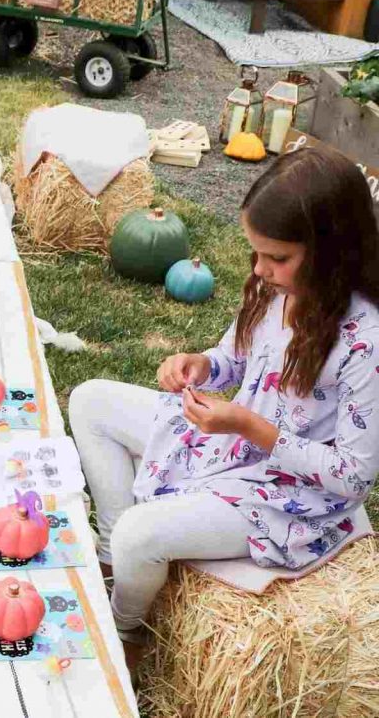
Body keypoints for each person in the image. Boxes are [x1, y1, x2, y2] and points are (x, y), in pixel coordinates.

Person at [69, 146, 379, 662]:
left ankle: (127, 632)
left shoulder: (365, 341)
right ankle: (114, 563)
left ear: (332, 251)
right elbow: (233, 358)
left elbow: (353, 475)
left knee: (138, 534)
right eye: (256, 253)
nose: (260, 270)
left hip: (286, 493)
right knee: (89, 400)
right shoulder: (272, 288)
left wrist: (251, 427)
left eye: (277, 258)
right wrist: (201, 365)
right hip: (231, 443)